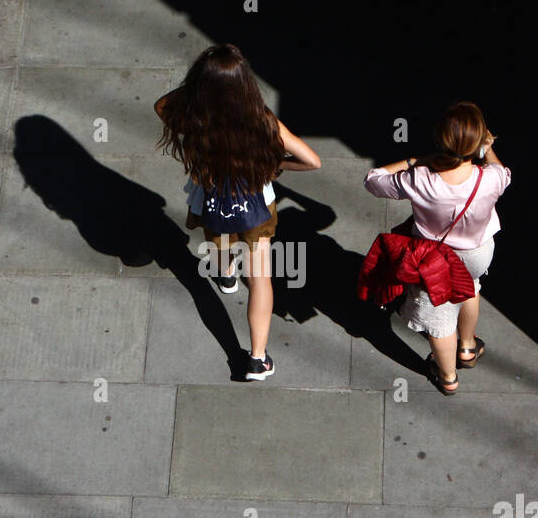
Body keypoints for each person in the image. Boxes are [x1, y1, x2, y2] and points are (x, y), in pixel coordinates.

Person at [155, 43, 321, 380]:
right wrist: (278, 164)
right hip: (255, 207)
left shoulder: (192, 117)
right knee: (261, 280)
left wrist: (201, 89)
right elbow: (313, 161)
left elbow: (162, 105)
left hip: (211, 199)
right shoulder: (264, 122)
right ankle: (257, 359)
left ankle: (227, 275)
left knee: (217, 240)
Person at [362, 101, 511, 395]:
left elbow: (373, 181)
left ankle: (447, 376)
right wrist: (487, 146)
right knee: (470, 287)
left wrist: (415, 161)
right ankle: (467, 348)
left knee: (438, 318)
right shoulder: (490, 179)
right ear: (478, 141)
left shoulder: (422, 179)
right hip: (478, 254)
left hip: (435, 261)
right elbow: (500, 169)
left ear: (440, 138)